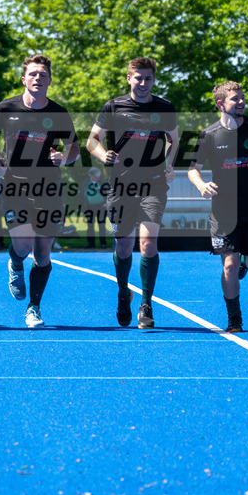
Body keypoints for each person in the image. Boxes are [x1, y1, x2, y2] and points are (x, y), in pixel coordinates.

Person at [0, 54, 79, 328]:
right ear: (24, 79)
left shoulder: (58, 113)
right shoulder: (7, 107)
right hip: (15, 187)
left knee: (43, 253)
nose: (38, 78)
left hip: (49, 190)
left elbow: (74, 149)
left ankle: (34, 308)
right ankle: (15, 262)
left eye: (43, 75)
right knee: (23, 245)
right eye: (33, 74)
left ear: (49, 80)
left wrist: (64, 158)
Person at [86, 57, 179, 329]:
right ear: (129, 78)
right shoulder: (113, 106)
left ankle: (146, 304)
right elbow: (92, 140)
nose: (143, 82)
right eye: (138, 77)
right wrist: (103, 154)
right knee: (124, 246)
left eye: (148, 78)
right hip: (121, 186)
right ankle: (123, 292)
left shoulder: (164, 107)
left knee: (148, 243)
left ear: (154, 80)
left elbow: (173, 139)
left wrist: (169, 163)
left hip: (153, 184)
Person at [188, 81, 248, 332]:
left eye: (242, 98)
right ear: (221, 104)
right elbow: (193, 170)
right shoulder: (208, 135)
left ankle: (245, 258)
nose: (241, 102)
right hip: (223, 212)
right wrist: (201, 185)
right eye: (235, 99)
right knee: (228, 266)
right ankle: (234, 318)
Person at [81, 167, 108, 249]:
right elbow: (82, 194)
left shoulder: (102, 182)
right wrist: (84, 205)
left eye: (97, 176)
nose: (95, 178)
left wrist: (105, 203)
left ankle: (103, 243)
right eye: (93, 176)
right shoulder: (86, 183)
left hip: (101, 206)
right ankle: (91, 244)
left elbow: (107, 194)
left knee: (101, 225)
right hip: (89, 207)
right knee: (90, 226)